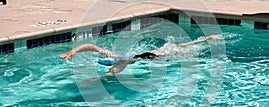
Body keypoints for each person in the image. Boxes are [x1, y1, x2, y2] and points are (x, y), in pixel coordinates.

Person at [60, 35, 220, 85]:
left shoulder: (122, 59)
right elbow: (92, 47)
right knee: (180, 49)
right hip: (154, 56)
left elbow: (111, 70)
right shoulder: (122, 59)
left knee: (179, 50)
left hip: (154, 57)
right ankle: (206, 40)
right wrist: (73, 51)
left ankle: (205, 40)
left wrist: (95, 79)